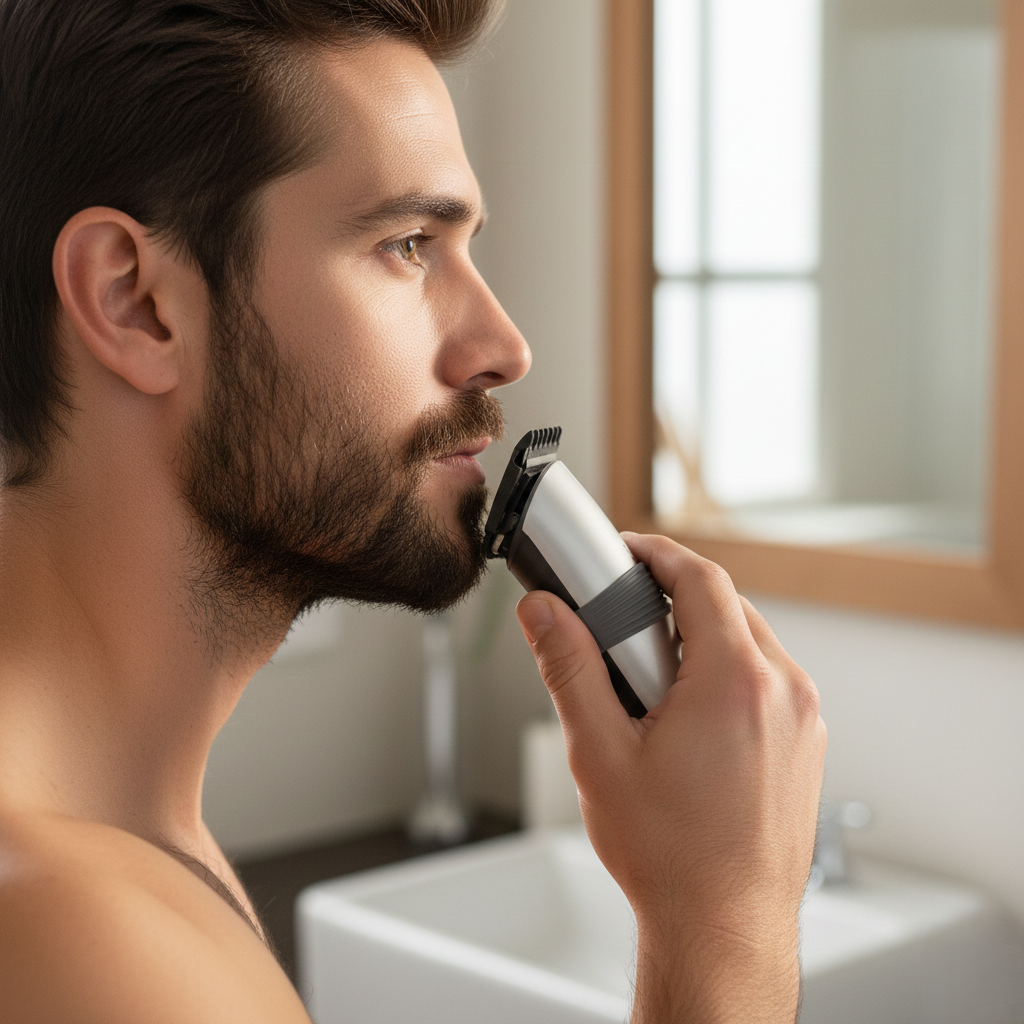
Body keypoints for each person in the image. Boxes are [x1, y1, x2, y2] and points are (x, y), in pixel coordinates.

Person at [0, 0, 826, 1020]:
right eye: (406, 244)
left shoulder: (124, 842)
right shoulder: (78, 940)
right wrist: (725, 927)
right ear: (135, 300)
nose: (503, 345)